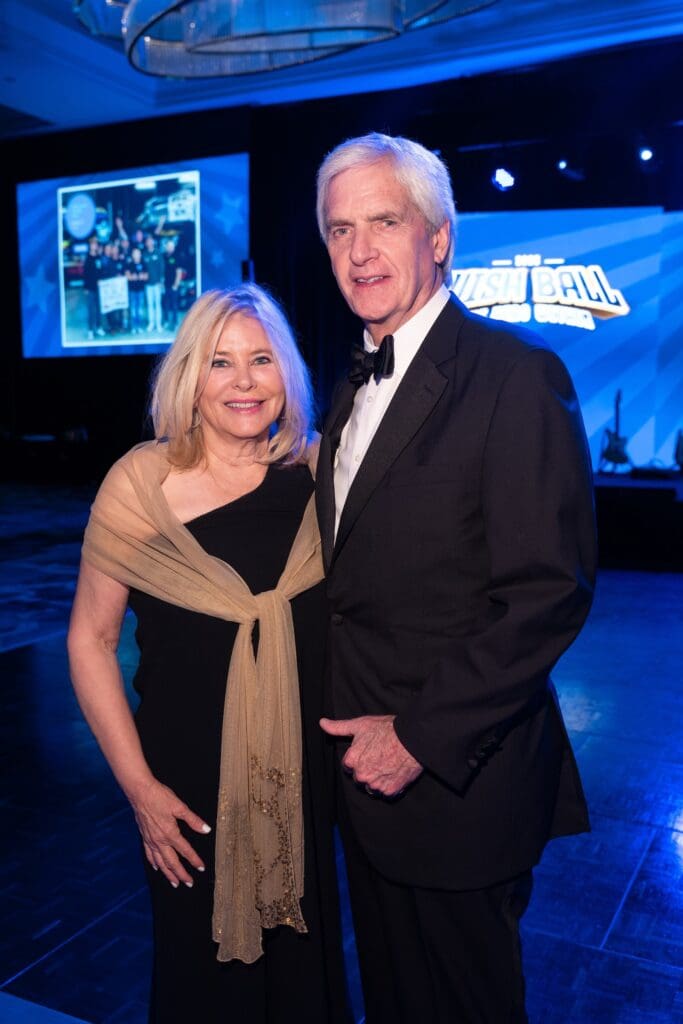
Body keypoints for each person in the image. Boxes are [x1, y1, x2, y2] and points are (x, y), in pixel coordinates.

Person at [314, 132, 597, 1023]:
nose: (359, 251)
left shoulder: (515, 375)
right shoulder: (350, 383)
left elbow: (548, 591)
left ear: (438, 236)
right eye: (338, 229)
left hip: (453, 781)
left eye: (384, 222)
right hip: (361, 785)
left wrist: (419, 738)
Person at [67, 284, 351, 1024]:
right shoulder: (141, 484)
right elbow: (90, 641)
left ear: (286, 374)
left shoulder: (325, 474)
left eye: (262, 359)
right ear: (189, 377)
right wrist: (139, 791)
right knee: (201, 981)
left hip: (305, 778)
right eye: (220, 362)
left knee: (302, 972)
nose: (245, 381)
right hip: (184, 791)